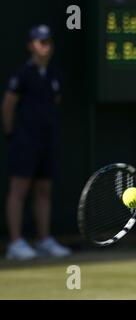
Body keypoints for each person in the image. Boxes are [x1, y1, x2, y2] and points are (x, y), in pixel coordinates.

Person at [1, 25, 71, 260]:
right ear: (31, 45)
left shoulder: (54, 75)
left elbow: (56, 104)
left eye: (48, 42)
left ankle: (43, 240)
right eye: (41, 42)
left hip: (46, 141)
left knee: (44, 190)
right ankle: (15, 243)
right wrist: (12, 134)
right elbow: (8, 105)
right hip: (24, 141)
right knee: (18, 190)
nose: (45, 46)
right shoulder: (22, 75)